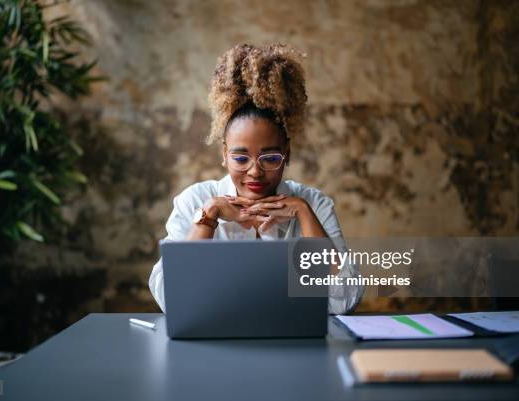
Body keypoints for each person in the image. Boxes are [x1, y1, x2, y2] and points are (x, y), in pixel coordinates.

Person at [149, 44, 364, 314]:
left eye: (270, 158)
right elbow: (170, 298)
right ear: (224, 154)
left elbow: (345, 300)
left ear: (287, 153)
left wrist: (304, 214)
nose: (255, 172)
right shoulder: (195, 200)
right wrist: (208, 216)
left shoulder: (314, 204)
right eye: (241, 159)